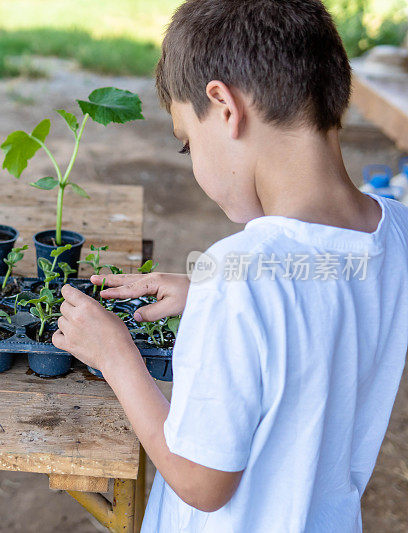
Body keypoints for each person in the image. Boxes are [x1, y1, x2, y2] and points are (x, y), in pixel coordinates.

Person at [52, 0, 408, 531]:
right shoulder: (395, 229)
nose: (193, 159)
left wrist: (116, 355)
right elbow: (333, 296)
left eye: (186, 142)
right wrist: (212, 291)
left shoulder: (240, 271)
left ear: (224, 106)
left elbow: (202, 483)